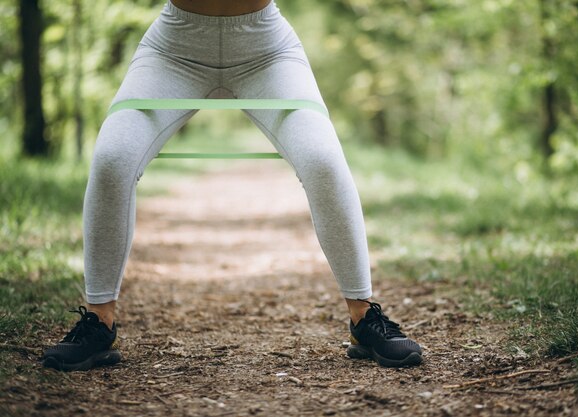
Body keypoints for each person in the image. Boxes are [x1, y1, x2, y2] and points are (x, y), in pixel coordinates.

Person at [41, 0, 423, 371]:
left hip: (266, 50)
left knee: (323, 160)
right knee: (112, 159)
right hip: (174, 49)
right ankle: (99, 322)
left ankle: (363, 318)